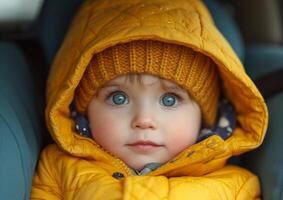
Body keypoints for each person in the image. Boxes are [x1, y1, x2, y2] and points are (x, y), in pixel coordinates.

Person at [31, 0, 268, 199]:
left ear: (205, 117)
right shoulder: (59, 171)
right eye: (118, 97)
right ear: (83, 110)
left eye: (170, 100)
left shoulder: (237, 188)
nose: (144, 120)